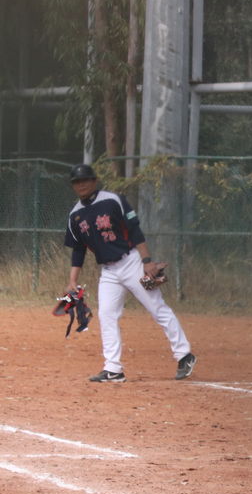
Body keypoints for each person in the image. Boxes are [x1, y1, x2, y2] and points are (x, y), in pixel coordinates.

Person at [63, 163, 196, 383]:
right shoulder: (75, 215)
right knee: (106, 314)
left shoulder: (113, 200)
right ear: (73, 186)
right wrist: (72, 280)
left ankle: (185, 355)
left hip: (132, 262)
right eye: (77, 182)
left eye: (85, 179)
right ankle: (113, 369)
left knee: (157, 308)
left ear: (94, 181)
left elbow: (134, 230)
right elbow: (78, 250)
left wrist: (147, 262)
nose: (82, 184)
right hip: (108, 271)